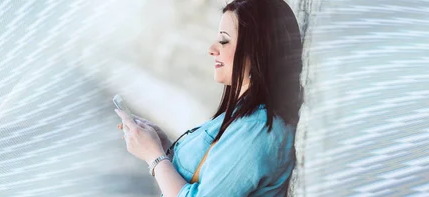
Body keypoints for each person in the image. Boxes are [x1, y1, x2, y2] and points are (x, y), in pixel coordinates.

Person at [114, 0, 304, 196]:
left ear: (257, 50)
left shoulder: (259, 128)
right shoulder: (246, 114)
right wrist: (163, 147)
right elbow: (210, 174)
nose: (212, 49)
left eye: (224, 40)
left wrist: (153, 157)